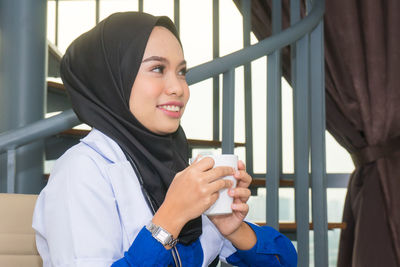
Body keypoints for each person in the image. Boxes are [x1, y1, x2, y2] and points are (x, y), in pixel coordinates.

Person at [32, 12, 297, 267]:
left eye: (181, 72)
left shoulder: (177, 166)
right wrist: (171, 218)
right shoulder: (83, 171)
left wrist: (234, 229)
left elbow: (285, 261)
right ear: (114, 80)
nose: (178, 88)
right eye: (158, 68)